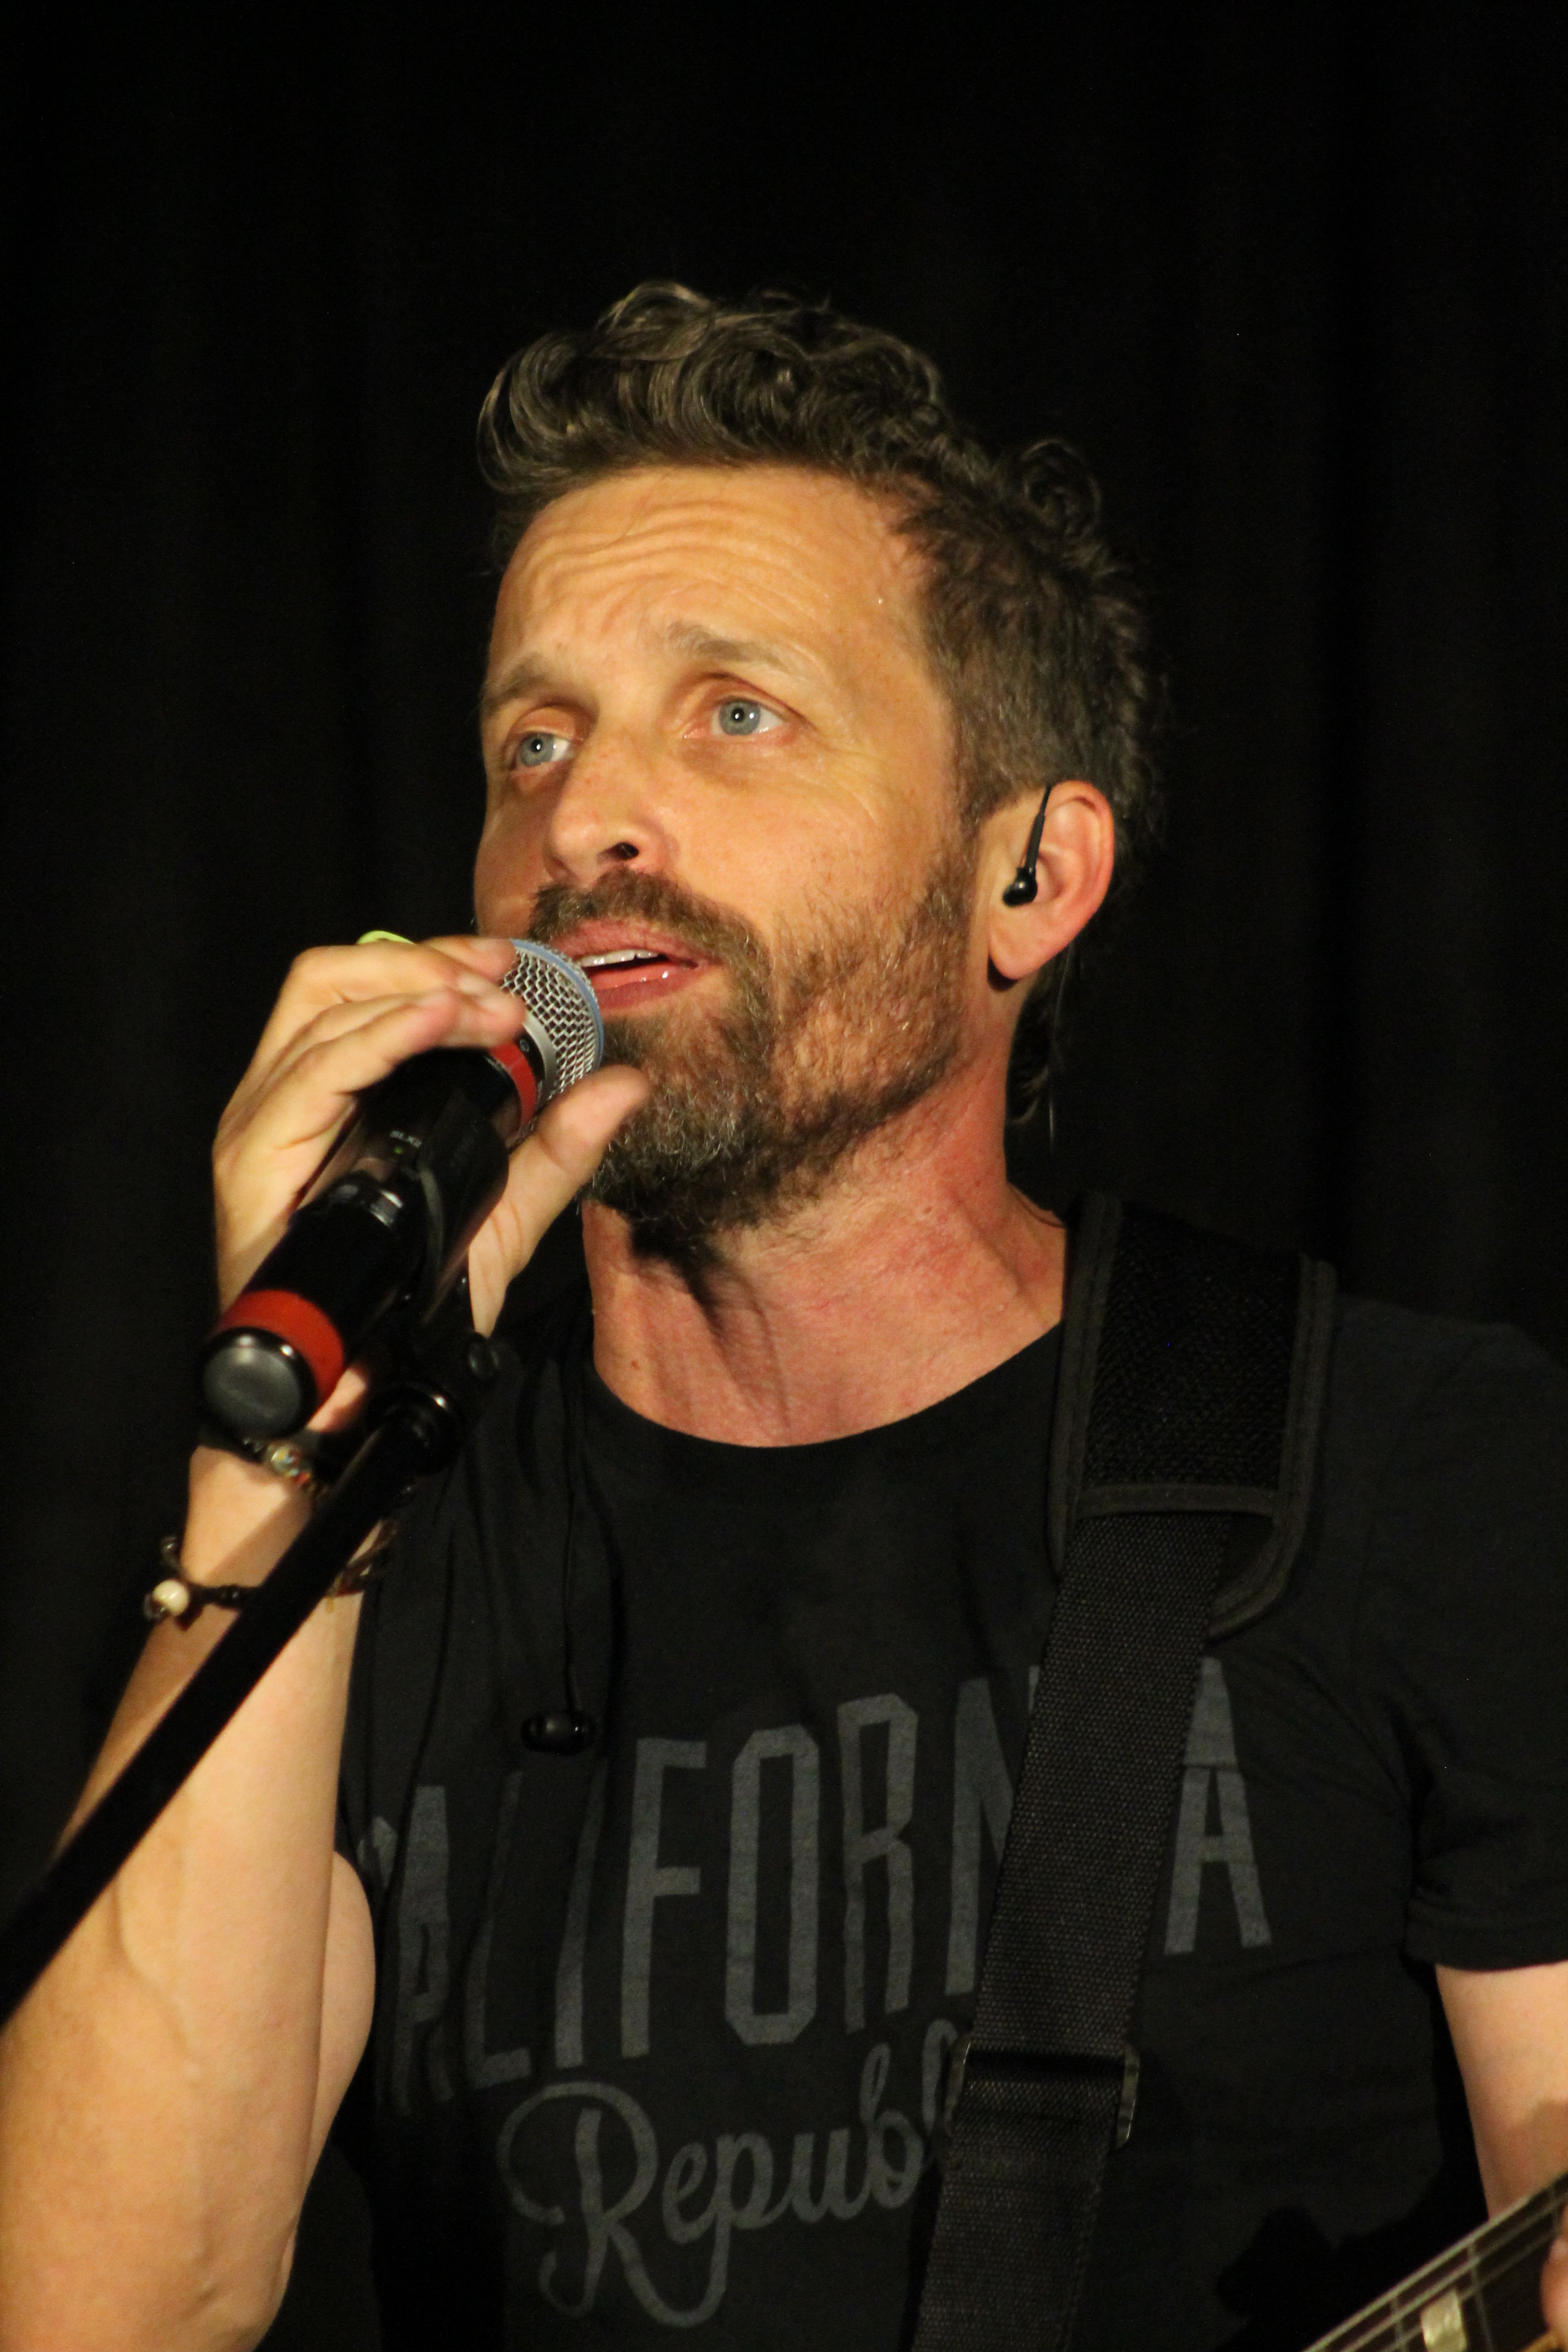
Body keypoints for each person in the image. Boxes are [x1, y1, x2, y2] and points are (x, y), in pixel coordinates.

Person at [3, 283, 1568, 2352]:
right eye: (534, 740)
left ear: (1033, 876)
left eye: (736, 714)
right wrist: (283, 1470)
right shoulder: (375, 1564)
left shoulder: (1416, 1467)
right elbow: (100, 2308)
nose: (585, 820)